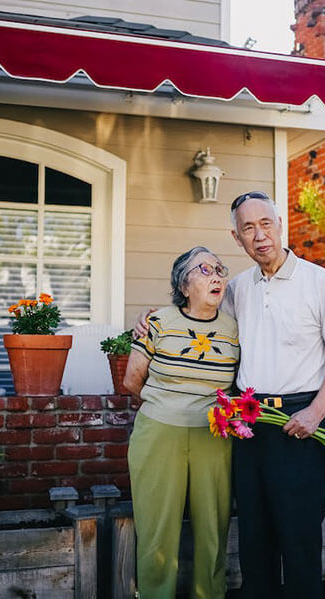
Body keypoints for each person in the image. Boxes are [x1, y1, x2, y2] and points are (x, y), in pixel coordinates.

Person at [135, 192, 325, 599]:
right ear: (236, 238)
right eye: (248, 228)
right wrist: (151, 322)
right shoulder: (237, 289)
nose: (259, 236)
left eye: (265, 224)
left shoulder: (317, 280)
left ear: (279, 224)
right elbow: (198, 315)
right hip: (249, 425)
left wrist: (316, 412)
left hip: (299, 424)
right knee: (255, 541)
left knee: (299, 539)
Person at [123, 246, 240, 599]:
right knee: (157, 530)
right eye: (204, 269)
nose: (216, 275)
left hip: (213, 435)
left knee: (212, 530)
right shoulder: (158, 322)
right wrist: (169, 406)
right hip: (159, 433)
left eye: (220, 268)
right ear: (184, 285)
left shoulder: (235, 328)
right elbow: (132, 380)